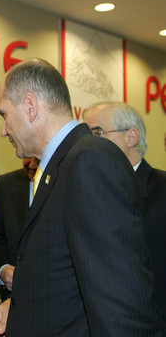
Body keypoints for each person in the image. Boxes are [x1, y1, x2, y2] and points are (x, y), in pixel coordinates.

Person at [0, 58, 162, 336]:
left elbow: (121, 302)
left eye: (4, 114)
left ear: (30, 107)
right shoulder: (60, 166)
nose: (3, 129)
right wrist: (19, 308)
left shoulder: (89, 161)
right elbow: (64, 278)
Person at [84, 101, 166, 329]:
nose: (88, 142)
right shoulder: (86, 192)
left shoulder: (162, 191)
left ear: (131, 137)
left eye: (98, 132)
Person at [0, 157, 39, 296]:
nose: (31, 164)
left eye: (37, 158)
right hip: (15, 299)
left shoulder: (66, 181)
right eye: (27, 156)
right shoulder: (5, 184)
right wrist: (3, 269)